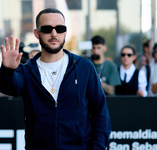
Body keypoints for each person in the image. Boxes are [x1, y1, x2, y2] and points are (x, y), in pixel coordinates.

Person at [0, 8, 111, 150]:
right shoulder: (26, 71)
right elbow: (10, 87)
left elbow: (100, 112)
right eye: (47, 29)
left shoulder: (84, 67)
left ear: (65, 32)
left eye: (59, 28)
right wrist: (7, 70)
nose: (54, 33)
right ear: (36, 33)